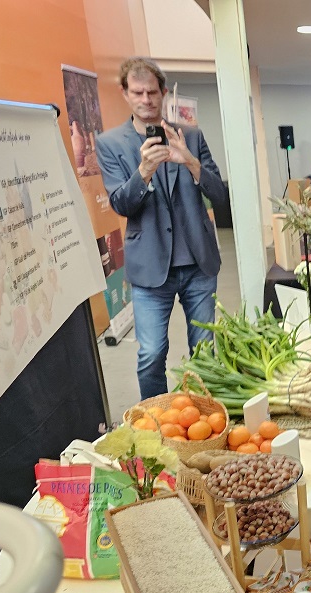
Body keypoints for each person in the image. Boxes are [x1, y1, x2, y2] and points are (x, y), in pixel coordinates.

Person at [95, 56, 228, 400]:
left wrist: (192, 163)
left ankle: (205, 422)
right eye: (137, 92)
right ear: (125, 93)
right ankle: (156, 422)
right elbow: (121, 205)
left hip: (198, 264)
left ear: (163, 92)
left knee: (204, 354)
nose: (146, 100)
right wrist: (143, 171)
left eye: (152, 92)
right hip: (150, 269)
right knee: (151, 354)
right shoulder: (110, 144)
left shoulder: (191, 135)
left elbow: (220, 194)